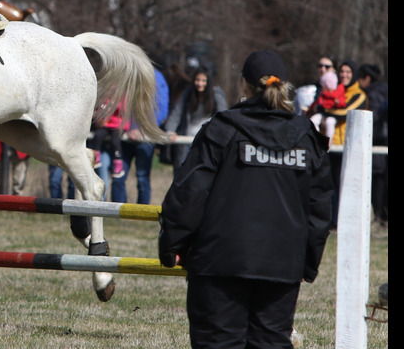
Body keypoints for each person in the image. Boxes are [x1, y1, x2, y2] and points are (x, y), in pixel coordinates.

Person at [158, 50, 333, 349]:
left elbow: (189, 194)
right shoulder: (306, 137)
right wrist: (307, 263)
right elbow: (319, 209)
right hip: (281, 266)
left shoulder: (222, 128)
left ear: (244, 86)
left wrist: (172, 244)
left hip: (219, 263)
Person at [108, 66, 170, 205]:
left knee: (142, 177)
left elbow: (162, 108)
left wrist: (142, 129)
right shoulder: (124, 74)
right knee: (118, 176)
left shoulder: (157, 77)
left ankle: (142, 213)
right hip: (122, 137)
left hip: (145, 137)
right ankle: (116, 213)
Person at [324, 59, 368, 228]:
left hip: (348, 149)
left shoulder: (360, 95)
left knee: (345, 188)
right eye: (342, 71)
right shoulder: (333, 91)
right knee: (331, 187)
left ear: (354, 74)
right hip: (331, 146)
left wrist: (325, 110)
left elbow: (345, 112)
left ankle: (344, 222)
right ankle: (332, 221)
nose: (344, 75)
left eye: (348, 72)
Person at [163, 66, 228, 175]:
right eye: (197, 80)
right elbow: (176, 114)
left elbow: (224, 117)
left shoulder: (216, 94)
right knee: (182, 171)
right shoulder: (188, 93)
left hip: (207, 139)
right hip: (187, 138)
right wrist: (170, 131)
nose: (200, 84)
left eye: (203, 81)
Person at [358, 63, 388, 227]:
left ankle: (380, 215)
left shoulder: (373, 94)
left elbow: (374, 116)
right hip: (383, 140)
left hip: (377, 139)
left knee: (377, 178)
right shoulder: (383, 90)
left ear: (366, 78)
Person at [89, 100, 128, 179]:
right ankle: (96, 157)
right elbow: (100, 109)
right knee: (98, 136)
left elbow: (125, 109)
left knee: (115, 142)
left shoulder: (123, 97)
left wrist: (114, 105)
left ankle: (118, 161)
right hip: (106, 124)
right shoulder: (106, 98)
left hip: (118, 125)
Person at [306, 70, 346, 141]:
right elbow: (316, 103)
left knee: (329, 122)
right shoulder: (322, 95)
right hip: (322, 114)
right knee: (313, 120)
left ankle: (328, 143)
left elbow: (343, 103)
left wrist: (338, 103)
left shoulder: (338, 93)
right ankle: (316, 140)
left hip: (332, 115)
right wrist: (310, 109)